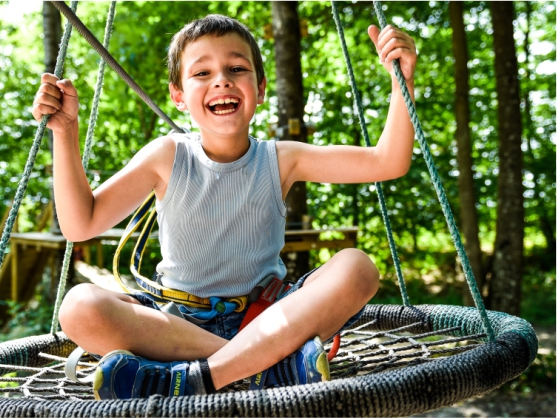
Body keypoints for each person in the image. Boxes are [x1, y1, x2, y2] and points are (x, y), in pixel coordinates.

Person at [32, 14, 416, 399]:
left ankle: (192, 377)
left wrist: (403, 84)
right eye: (202, 73)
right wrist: (65, 133)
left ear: (261, 88)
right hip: (179, 326)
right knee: (80, 306)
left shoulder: (281, 159)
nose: (221, 80)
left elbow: (387, 162)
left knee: (358, 268)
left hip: (269, 314)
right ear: (178, 95)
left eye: (236, 68)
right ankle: (267, 367)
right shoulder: (166, 156)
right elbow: (80, 224)